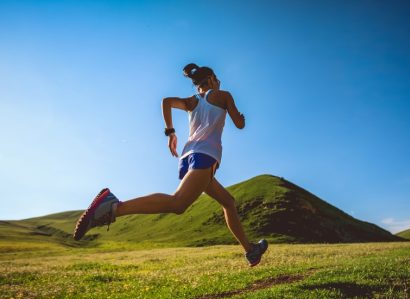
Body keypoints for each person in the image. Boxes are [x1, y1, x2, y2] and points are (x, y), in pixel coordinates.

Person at [73, 63, 268, 267]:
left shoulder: (192, 101)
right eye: (217, 79)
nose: (219, 82)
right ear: (211, 79)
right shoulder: (223, 95)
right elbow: (240, 123)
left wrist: (170, 132)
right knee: (178, 204)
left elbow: (166, 101)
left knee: (228, 201)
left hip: (188, 157)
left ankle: (250, 250)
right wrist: (240, 117)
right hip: (206, 155)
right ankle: (113, 208)